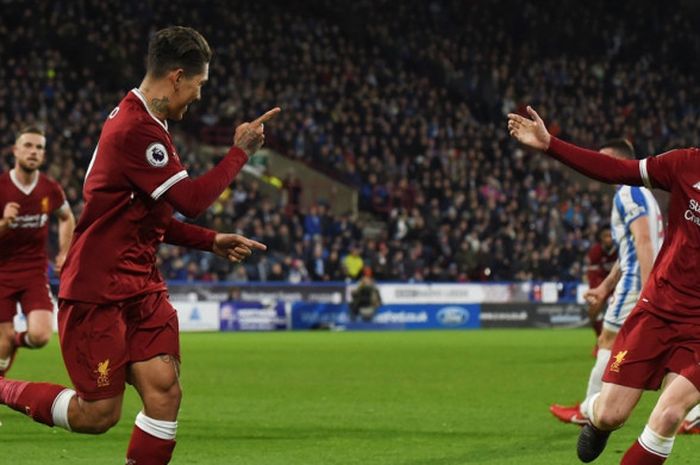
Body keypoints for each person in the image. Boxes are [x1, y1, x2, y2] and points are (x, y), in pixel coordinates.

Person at [0, 26, 276, 465]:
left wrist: (211, 243)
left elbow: (152, 221)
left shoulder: (152, 122)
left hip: (141, 284)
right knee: (98, 414)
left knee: (165, 391)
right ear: (177, 77)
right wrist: (240, 151)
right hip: (99, 290)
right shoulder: (135, 129)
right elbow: (191, 201)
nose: (200, 97)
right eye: (199, 86)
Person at [509, 106, 700, 464]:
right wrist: (551, 145)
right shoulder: (686, 165)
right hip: (659, 310)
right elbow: (617, 170)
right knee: (613, 414)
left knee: (670, 415)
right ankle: (596, 418)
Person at [549, 139, 663, 428]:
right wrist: (604, 287)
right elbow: (628, 250)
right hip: (637, 277)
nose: (597, 169)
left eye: (603, 161)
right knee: (640, 347)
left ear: (616, 161)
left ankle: (589, 410)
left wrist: (649, 290)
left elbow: (643, 241)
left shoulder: (628, 193)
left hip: (638, 281)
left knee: (608, 341)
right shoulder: (641, 192)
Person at [0, 126, 76, 375]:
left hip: (33, 272)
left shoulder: (50, 189)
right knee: (1, 344)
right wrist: (4, 223)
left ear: (43, 155)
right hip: (1, 273)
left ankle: (13, 341)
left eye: (39, 147)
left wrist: (65, 252)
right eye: (28, 146)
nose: (33, 152)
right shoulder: (1, 187)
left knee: (41, 335)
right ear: (15, 151)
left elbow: (66, 217)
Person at [585, 226, 617, 342]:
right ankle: (600, 339)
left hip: (618, 283)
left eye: (610, 236)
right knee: (593, 311)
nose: (608, 239)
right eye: (605, 236)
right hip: (601, 284)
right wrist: (597, 291)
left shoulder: (620, 249)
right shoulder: (595, 252)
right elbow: (592, 274)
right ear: (601, 238)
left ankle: (620, 341)